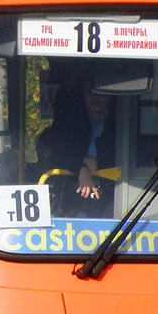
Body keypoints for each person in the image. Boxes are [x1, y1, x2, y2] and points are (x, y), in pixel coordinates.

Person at [49, 79, 118, 213]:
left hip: (117, 196)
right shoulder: (74, 123)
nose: (94, 97)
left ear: (110, 94)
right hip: (75, 197)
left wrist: (100, 164)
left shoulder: (121, 122)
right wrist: (81, 168)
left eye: (99, 92)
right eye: (89, 92)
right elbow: (58, 155)